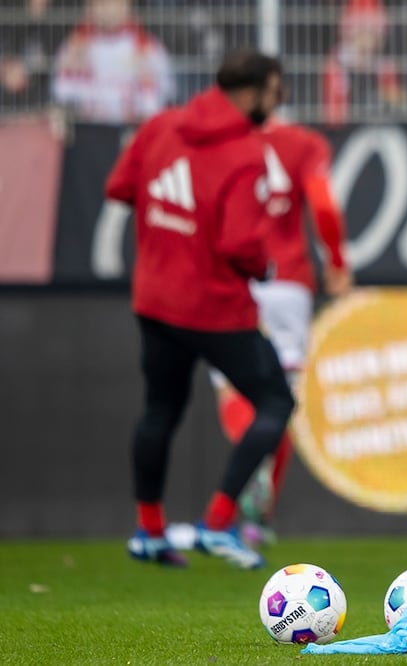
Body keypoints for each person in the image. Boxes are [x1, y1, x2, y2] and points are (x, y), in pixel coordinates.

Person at [105, 49, 294, 570]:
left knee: (159, 410)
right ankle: (216, 524)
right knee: (276, 402)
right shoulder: (245, 152)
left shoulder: (160, 126)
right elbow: (239, 244)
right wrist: (265, 269)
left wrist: (169, 225)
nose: (277, 102)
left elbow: (119, 187)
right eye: (275, 91)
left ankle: (148, 532)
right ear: (252, 90)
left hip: (155, 300)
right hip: (213, 308)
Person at [212, 92, 353, 548]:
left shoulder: (218, 143)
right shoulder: (302, 143)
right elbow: (323, 205)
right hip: (288, 282)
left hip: (233, 280)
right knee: (278, 400)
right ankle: (260, 513)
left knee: (236, 390)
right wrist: (335, 258)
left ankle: (249, 472)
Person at [52, 0, 174, 124]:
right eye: (101, 4)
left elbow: (160, 99)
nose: (108, 11)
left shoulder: (148, 48)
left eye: (114, 3)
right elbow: (62, 95)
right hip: (87, 131)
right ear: (90, 8)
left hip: (132, 130)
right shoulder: (74, 47)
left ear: (127, 7)